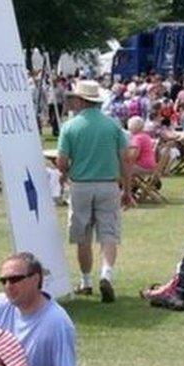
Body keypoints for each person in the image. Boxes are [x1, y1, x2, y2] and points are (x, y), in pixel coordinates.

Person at [56, 80, 134, 303]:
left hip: (80, 184)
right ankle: (106, 273)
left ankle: (86, 281)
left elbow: (61, 161)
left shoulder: (70, 126)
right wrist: (127, 190)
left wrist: (69, 171)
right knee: (109, 233)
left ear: (80, 100)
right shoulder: (112, 126)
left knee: (83, 235)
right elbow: (126, 159)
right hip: (108, 184)